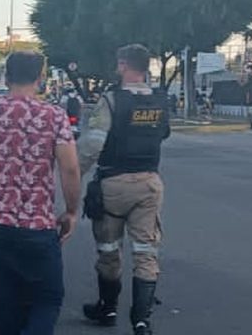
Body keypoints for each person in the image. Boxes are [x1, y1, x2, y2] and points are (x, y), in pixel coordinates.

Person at [0, 51, 82, 335]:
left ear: (6, 76)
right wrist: (72, 211)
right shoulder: (53, 116)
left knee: (5, 300)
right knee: (46, 299)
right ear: (40, 78)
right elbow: (70, 170)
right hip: (37, 226)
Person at [77, 44, 170, 335]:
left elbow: (93, 143)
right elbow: (163, 133)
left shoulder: (111, 100)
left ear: (123, 65)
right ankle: (141, 321)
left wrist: (74, 173)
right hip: (149, 183)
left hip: (114, 184)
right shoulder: (160, 100)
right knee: (146, 252)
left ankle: (108, 307)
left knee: (108, 250)